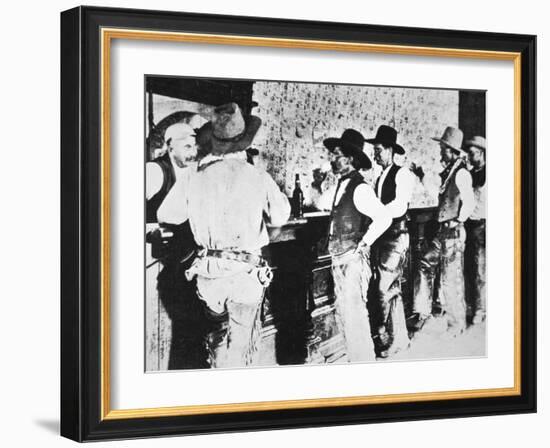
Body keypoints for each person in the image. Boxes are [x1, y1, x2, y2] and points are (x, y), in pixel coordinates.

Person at [158, 102, 291, 368]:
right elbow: (280, 217)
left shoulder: (192, 176)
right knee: (241, 343)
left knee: (216, 339)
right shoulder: (258, 177)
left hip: (209, 275)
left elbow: (167, 215)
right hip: (245, 274)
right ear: (244, 143)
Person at [323, 129, 392, 362]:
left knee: (355, 317)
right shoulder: (340, 186)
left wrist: (364, 243)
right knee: (345, 315)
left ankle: (364, 365)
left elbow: (384, 218)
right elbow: (323, 204)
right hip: (339, 259)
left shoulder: (360, 188)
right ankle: (357, 361)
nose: (331, 159)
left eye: (336, 154)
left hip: (352, 262)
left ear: (350, 158)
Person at [412, 126, 475, 336]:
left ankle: (456, 324)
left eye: (443, 148)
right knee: (424, 264)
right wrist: (421, 177)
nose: (440, 152)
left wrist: (458, 221)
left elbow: (470, 202)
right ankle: (423, 313)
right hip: (442, 232)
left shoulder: (462, 173)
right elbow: (440, 195)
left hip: (453, 233)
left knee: (451, 278)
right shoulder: (449, 173)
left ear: (451, 150)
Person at [366, 125, 415, 357]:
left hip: (396, 237)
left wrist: (379, 212)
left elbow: (400, 205)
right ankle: (400, 339)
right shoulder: (379, 176)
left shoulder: (403, 174)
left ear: (389, 150)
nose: (375, 155)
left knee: (383, 288)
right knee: (391, 288)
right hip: (383, 237)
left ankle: (383, 335)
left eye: (377, 150)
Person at [146, 122, 198, 223]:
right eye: (187, 147)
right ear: (171, 149)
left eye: (194, 146)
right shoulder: (154, 170)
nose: (193, 153)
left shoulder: (193, 170)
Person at [464, 136, 487, 325]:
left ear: (482, 153)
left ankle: (483, 307)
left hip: (486, 223)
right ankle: (475, 307)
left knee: (483, 269)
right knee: (474, 268)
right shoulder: (470, 174)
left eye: (472, 154)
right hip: (473, 225)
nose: (470, 158)